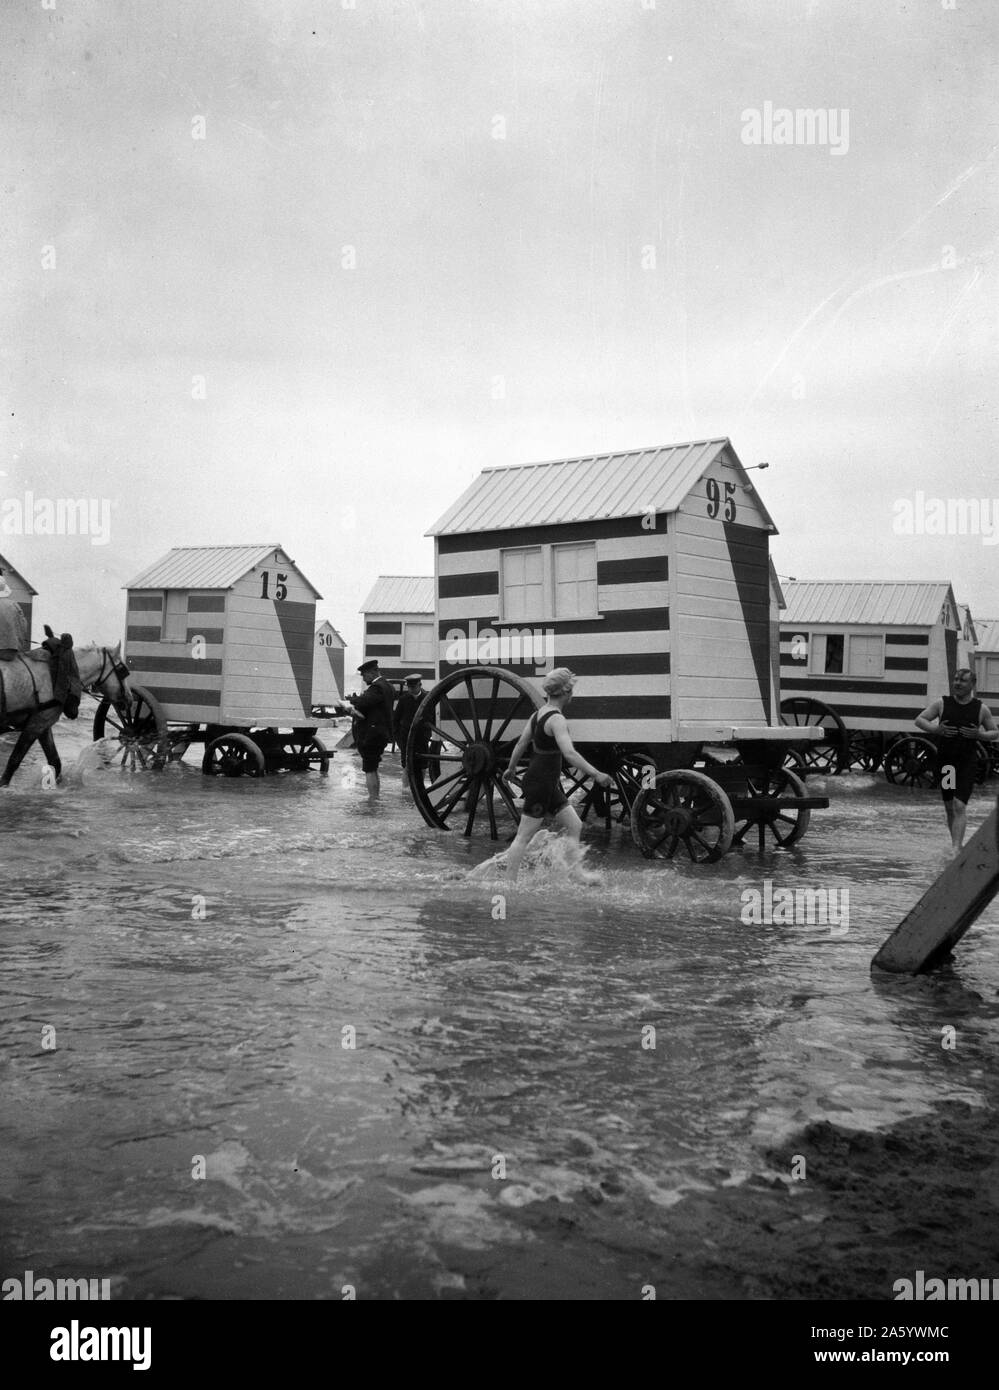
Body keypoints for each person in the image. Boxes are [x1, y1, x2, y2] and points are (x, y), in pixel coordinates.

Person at [501, 667, 613, 884]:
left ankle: (576, 874)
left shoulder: (537, 715)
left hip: (545, 783)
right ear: (566, 692)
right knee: (524, 836)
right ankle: (508, 883)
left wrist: (511, 768)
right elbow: (569, 753)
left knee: (574, 824)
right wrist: (596, 773)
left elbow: (522, 743)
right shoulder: (557, 720)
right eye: (571, 691)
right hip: (541, 784)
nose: (573, 695)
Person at [916, 668, 997, 853]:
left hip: (966, 764)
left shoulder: (980, 708)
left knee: (960, 805)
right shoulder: (942, 703)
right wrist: (936, 730)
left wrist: (979, 734)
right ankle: (956, 844)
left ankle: (956, 849)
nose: (957, 684)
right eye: (955, 680)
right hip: (947, 764)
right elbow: (919, 720)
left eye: (962, 681)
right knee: (949, 806)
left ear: (972, 685)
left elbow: (994, 732)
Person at [335, 659, 395, 800]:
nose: (363, 678)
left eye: (364, 675)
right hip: (381, 733)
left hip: (372, 735)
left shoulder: (377, 687)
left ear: (373, 672)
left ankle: (373, 799)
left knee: (369, 768)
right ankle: (375, 797)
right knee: (373, 767)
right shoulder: (389, 686)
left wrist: (349, 702)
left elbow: (364, 701)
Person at [393, 674, 426, 788]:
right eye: (409, 687)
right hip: (406, 738)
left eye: (414, 687)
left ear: (420, 685)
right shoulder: (404, 699)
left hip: (422, 738)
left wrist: (428, 734)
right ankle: (406, 792)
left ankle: (420, 789)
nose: (411, 690)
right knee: (407, 767)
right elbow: (395, 720)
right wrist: (398, 739)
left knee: (422, 766)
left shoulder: (427, 698)